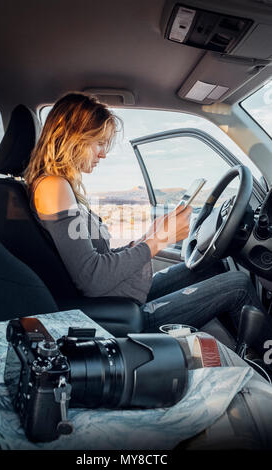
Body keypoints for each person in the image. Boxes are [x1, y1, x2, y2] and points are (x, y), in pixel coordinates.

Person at [24, 92, 264, 338]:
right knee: (239, 284)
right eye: (98, 143)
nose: (102, 154)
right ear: (72, 137)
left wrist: (150, 236)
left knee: (211, 268)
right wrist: (157, 241)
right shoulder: (53, 186)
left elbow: (95, 258)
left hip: (113, 298)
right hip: (111, 315)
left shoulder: (56, 186)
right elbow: (92, 278)